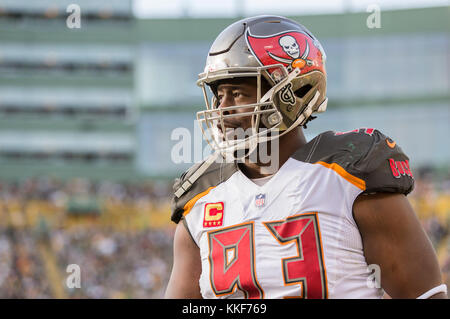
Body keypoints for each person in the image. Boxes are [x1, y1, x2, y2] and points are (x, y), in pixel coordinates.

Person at [164, 15, 447, 299]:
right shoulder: (200, 200)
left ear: (293, 93)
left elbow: (425, 295)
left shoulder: (350, 175)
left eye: (237, 93)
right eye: (219, 95)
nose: (222, 110)